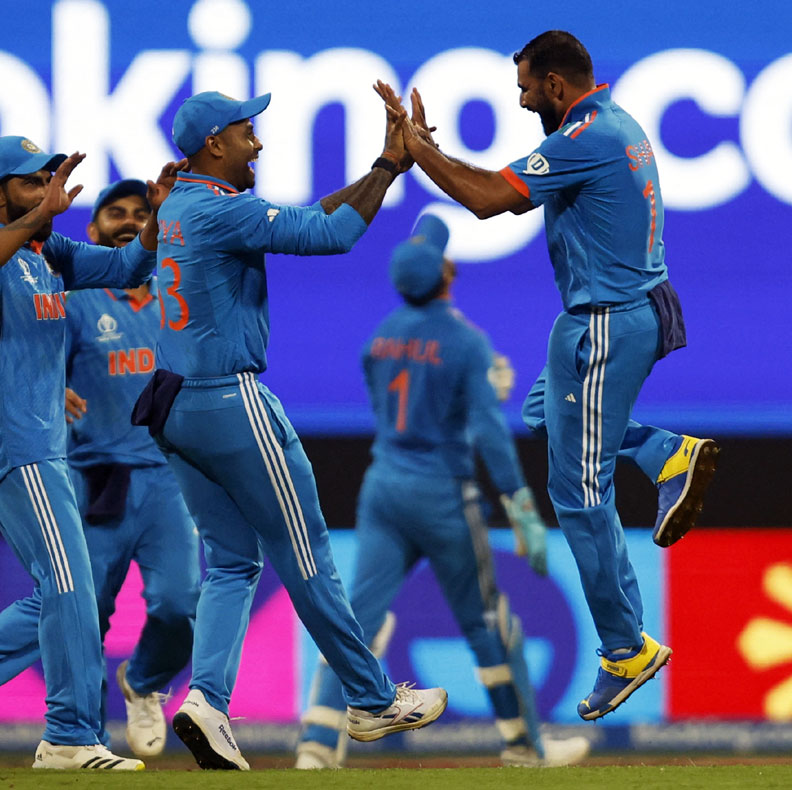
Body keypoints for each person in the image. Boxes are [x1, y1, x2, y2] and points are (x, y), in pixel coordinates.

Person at [378, 30, 719, 721]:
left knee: (578, 490)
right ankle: (663, 453)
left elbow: (482, 199)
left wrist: (417, 151)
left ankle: (626, 646)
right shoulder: (613, 122)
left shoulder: (580, 138)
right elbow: (500, 187)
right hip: (620, 312)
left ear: (557, 86)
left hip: (605, 322)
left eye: (528, 89)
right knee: (545, 414)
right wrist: (433, 151)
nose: (524, 99)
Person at [130, 90, 448, 771]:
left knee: (234, 561)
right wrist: (391, 170)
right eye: (249, 132)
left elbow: (301, 218)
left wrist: (381, 164)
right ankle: (369, 698)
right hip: (228, 399)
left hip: (174, 403)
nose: (261, 143)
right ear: (215, 144)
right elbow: (329, 234)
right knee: (306, 553)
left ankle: (207, 702)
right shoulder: (222, 208)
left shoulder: (184, 205)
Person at [0, 137, 184, 771]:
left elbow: (130, 268)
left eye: (49, 179)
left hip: (42, 442)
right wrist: (32, 216)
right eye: (31, 183)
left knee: (63, 588)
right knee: (71, 584)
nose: (48, 190)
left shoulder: (54, 254)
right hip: (11, 436)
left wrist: (156, 216)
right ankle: (70, 738)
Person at [294, 215, 590, 769]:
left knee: (356, 621)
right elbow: (486, 433)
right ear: (446, 276)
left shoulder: (379, 339)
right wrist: (520, 504)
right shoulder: (464, 340)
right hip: (442, 495)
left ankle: (316, 746)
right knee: (486, 621)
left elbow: (396, 401)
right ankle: (525, 746)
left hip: (382, 488)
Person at [63, 179, 201, 757]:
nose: (126, 221)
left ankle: (144, 683)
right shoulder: (74, 300)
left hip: (170, 477)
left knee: (179, 604)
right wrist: (51, 390)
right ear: (91, 232)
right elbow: (29, 366)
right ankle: (84, 736)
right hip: (97, 476)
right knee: (84, 614)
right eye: (113, 214)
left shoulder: (180, 293)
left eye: (139, 213)